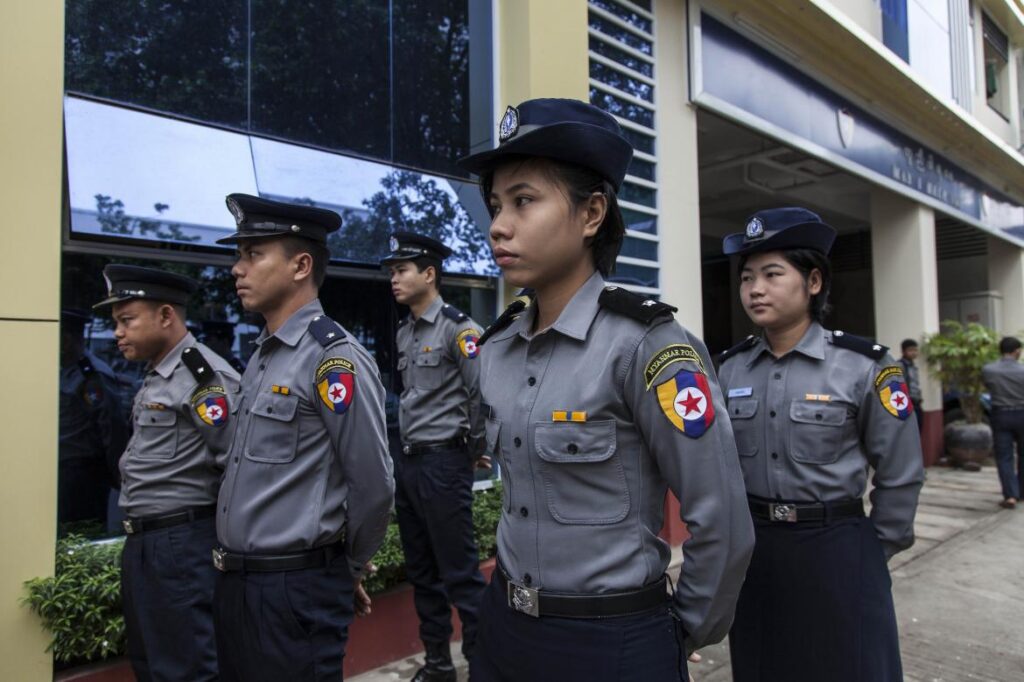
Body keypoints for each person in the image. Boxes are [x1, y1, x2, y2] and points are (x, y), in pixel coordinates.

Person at [458, 98, 754, 682]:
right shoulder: (496, 348)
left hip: (610, 644)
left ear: (591, 213)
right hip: (505, 628)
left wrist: (677, 631)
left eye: (524, 200)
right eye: (495, 205)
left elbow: (721, 518)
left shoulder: (646, 345)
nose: (498, 224)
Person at [716, 207, 925, 682]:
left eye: (772, 274)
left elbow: (901, 471)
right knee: (763, 664)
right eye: (747, 277)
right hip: (756, 551)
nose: (755, 289)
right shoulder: (729, 369)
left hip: (838, 548)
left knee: (852, 667)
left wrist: (872, 549)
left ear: (813, 282)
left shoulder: (864, 366)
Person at [212, 193, 395, 681]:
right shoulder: (262, 357)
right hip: (238, 585)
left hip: (293, 591)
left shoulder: (332, 358)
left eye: (253, 254)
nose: (237, 268)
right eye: (239, 255)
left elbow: (373, 487)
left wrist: (343, 570)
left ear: (301, 265)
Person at [94, 265, 241, 681]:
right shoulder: (157, 375)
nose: (118, 333)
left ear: (165, 316)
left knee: (188, 668)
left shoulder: (203, 379)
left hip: (182, 544)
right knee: (152, 662)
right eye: (115, 323)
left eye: (126, 321)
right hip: (147, 544)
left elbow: (237, 463)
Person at [381, 232, 488, 681]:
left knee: (460, 575)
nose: (394, 279)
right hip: (410, 465)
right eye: (391, 272)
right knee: (423, 574)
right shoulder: (406, 330)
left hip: (444, 464)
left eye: (402, 270)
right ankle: (439, 664)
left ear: (429, 273)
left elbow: (482, 392)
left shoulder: (458, 330)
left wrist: (475, 450)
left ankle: (487, 665)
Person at [58, 309, 129, 528]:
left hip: (82, 474)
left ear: (66, 339)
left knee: (81, 531)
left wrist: (118, 476)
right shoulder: (65, 371)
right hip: (63, 470)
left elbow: (111, 428)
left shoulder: (91, 376)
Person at [981, 336, 1024, 509]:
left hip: (1001, 415)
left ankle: (1010, 495)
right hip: (1022, 413)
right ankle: (1021, 491)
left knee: (1004, 457)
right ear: (1016, 351)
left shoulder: (989, 370)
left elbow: (987, 387)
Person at [899, 338, 924, 431]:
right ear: (903, 351)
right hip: (906, 404)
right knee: (909, 431)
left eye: (915, 350)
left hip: (916, 403)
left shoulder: (913, 366)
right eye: (910, 350)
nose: (913, 352)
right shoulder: (900, 365)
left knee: (919, 428)